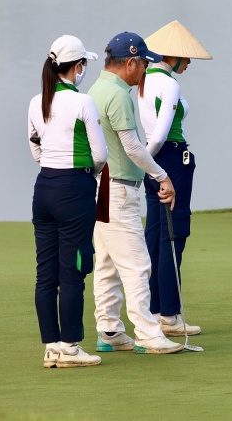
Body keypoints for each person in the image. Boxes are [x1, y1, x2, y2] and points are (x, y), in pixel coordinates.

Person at [88, 31, 184, 354]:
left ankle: (110, 330)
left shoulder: (96, 89)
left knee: (107, 264)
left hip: (102, 187)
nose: (144, 70)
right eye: (143, 64)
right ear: (130, 63)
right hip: (119, 189)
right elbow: (132, 146)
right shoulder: (118, 95)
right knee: (137, 264)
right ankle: (148, 334)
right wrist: (162, 175)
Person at [28, 35, 108, 368]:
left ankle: (52, 348)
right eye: (83, 64)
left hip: (44, 188)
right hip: (74, 190)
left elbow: (35, 149)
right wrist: (87, 174)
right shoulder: (83, 102)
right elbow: (100, 155)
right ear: (77, 67)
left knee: (46, 275)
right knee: (74, 270)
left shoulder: (37, 101)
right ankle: (71, 348)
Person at [138, 20, 212, 336]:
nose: (189, 62)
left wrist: (144, 164)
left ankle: (155, 310)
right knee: (173, 235)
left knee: (155, 235)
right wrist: (148, 163)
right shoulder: (169, 85)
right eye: (186, 56)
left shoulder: (143, 80)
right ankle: (169, 315)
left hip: (152, 160)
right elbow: (159, 135)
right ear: (173, 56)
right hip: (169, 160)